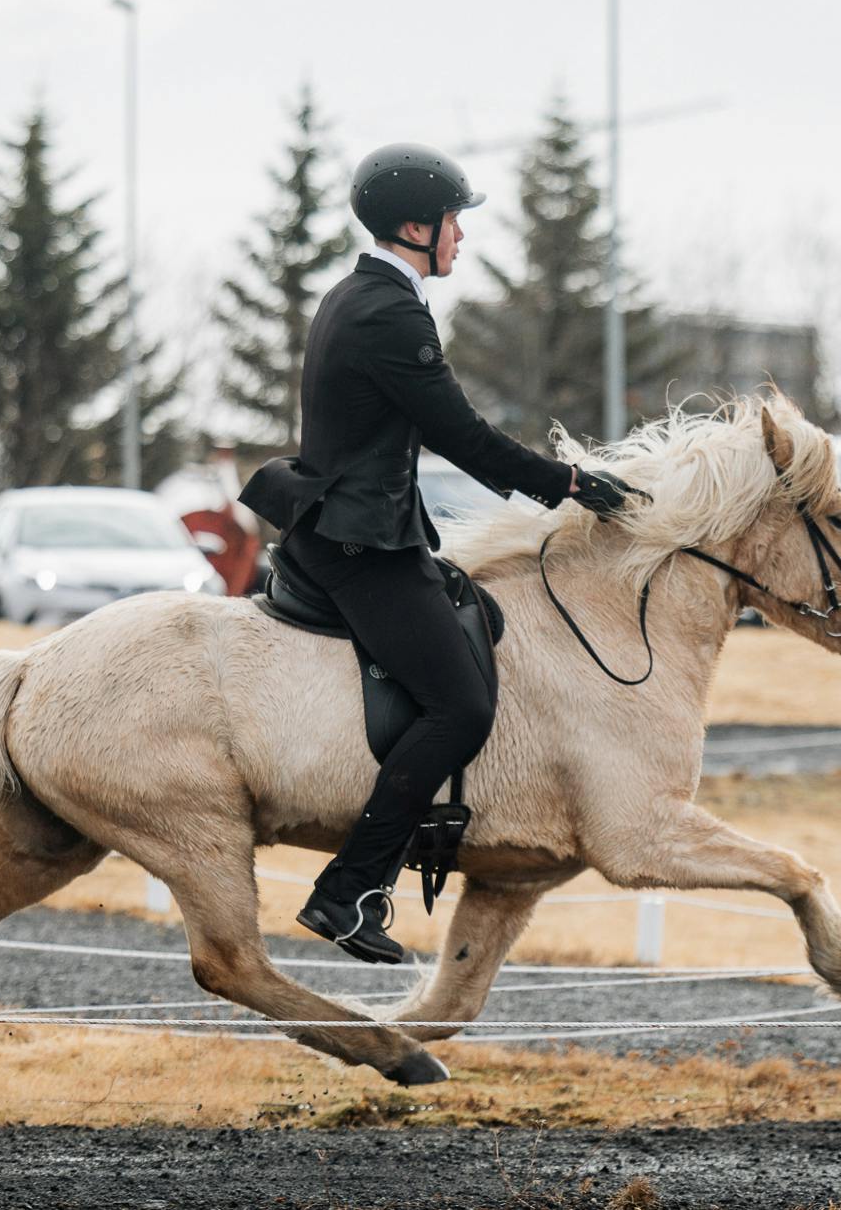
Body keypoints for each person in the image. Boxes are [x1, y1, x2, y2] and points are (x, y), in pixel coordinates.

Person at [239, 142, 643, 963]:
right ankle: (349, 891)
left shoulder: (355, 293)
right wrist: (567, 482)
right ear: (417, 226)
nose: (462, 235)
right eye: (455, 220)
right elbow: (458, 432)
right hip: (361, 543)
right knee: (460, 705)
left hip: (346, 522)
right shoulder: (390, 310)